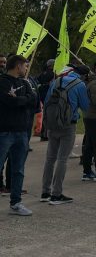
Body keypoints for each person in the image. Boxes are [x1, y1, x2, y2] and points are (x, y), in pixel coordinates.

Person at [41, 64, 90, 205]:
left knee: (50, 159)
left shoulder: (57, 81)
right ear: (84, 75)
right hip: (68, 124)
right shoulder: (80, 85)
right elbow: (86, 106)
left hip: (52, 123)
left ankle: (45, 192)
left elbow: (46, 101)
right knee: (62, 159)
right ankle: (56, 194)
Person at [0, 55, 37, 216]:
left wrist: (20, 99)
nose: (26, 69)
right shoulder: (3, 82)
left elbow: (34, 101)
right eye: (25, 66)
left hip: (22, 132)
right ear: (18, 66)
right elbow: (9, 102)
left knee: (18, 169)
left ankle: (16, 203)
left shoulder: (25, 82)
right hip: (4, 132)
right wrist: (23, 100)